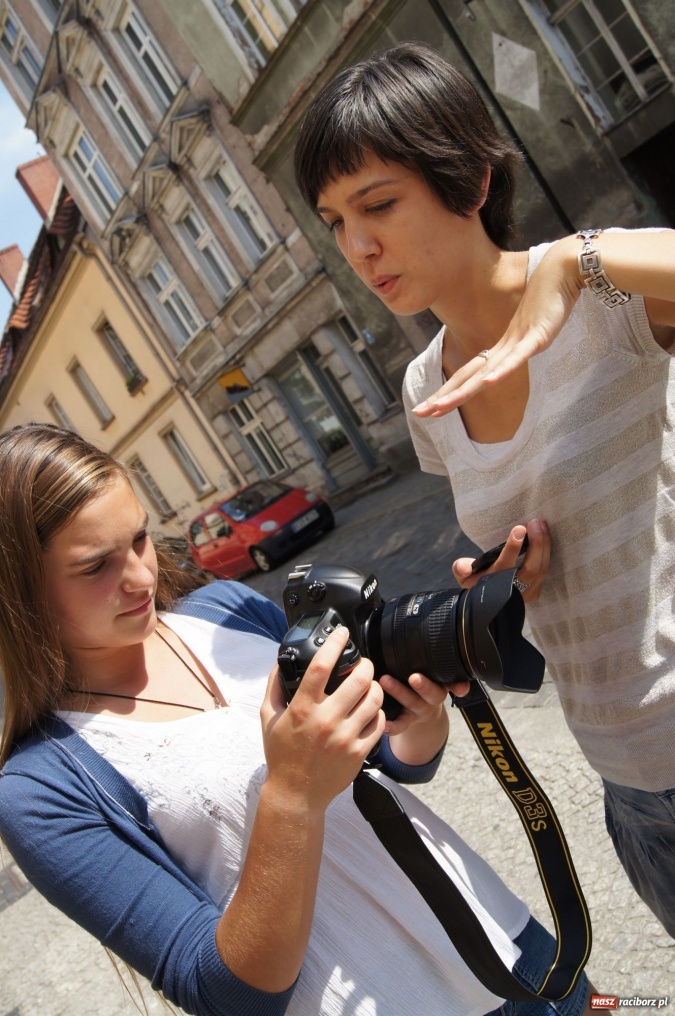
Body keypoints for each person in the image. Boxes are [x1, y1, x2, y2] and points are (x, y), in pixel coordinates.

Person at [0, 422, 592, 1016]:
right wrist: (292, 795)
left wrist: (412, 716)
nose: (140, 577)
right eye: (95, 566)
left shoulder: (223, 609)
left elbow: (398, 765)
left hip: (508, 947)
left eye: (140, 539)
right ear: (19, 591)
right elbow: (226, 994)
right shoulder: (39, 789)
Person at [293, 41, 675, 938]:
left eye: (377, 204)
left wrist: (569, 264)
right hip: (629, 785)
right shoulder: (425, 389)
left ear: (466, 180)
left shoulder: (604, 291)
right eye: (333, 221)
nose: (358, 245)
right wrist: (503, 583)